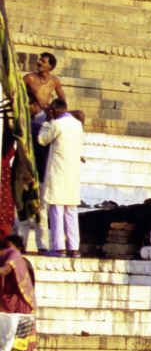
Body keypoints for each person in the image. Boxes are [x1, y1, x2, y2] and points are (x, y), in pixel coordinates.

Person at [37, 99, 83, 257]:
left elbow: (42, 140)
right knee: (71, 211)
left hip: (58, 173)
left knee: (56, 210)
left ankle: (59, 248)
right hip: (72, 174)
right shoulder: (77, 124)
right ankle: (74, 247)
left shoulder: (57, 124)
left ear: (56, 110)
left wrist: (47, 122)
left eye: (51, 110)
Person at [24, 52, 64, 178]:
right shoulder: (29, 78)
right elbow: (17, 95)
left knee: (41, 152)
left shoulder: (54, 81)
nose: (39, 62)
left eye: (43, 61)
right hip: (29, 118)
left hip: (44, 118)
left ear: (50, 67)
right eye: (39, 60)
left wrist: (54, 111)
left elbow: (62, 100)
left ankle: (39, 178)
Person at [0, 234, 35, 315]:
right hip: (5, 301)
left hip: (19, 302)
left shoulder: (15, 254)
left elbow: (5, 270)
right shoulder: (5, 256)